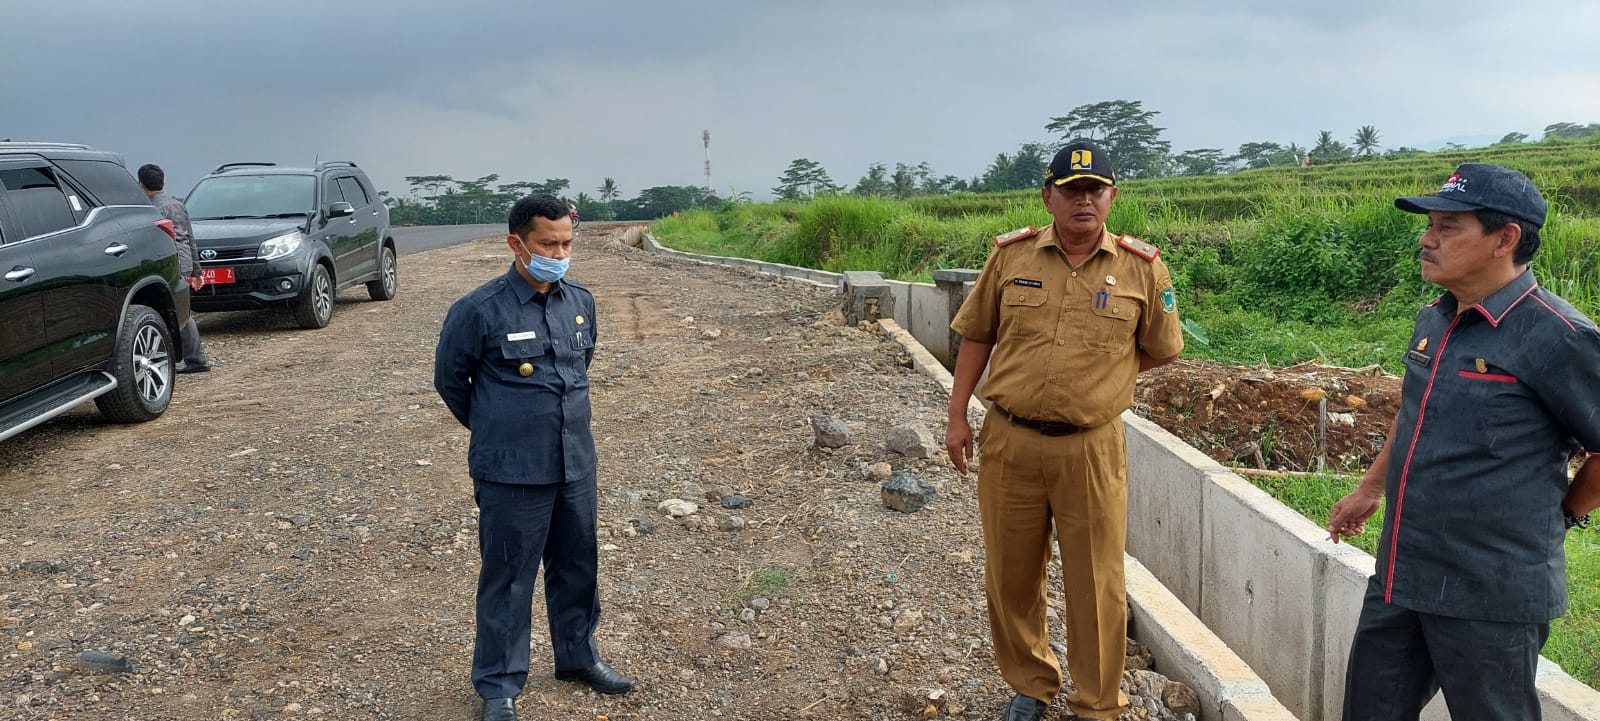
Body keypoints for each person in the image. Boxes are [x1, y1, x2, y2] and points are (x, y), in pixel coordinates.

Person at [1328, 163, 1600, 721]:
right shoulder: (1435, 318)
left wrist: (1565, 514)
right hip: (1403, 574)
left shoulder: (1558, 335)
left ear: (1506, 238)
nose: (1427, 239)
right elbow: (1415, 412)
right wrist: (1369, 489)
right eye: (1430, 224)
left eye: (1448, 226)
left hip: (1490, 591)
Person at [944, 141, 1184, 721]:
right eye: (1071, 190)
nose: (1084, 199)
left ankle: (1097, 703)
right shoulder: (1011, 258)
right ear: (1048, 196)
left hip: (1091, 448)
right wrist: (957, 415)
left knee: (1097, 581)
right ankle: (1032, 682)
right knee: (1011, 573)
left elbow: (1160, 349)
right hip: (1010, 440)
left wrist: (1104, 378)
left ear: (1111, 197)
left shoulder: (1142, 269)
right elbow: (977, 335)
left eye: (1094, 189)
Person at [433, 195, 632, 721]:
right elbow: (452, 382)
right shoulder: (478, 310)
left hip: (575, 463)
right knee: (509, 576)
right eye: (548, 243)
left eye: (567, 243)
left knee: (577, 566)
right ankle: (498, 686)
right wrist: (501, 428)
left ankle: (578, 656)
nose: (559, 253)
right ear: (516, 243)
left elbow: (580, 364)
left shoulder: (580, 302)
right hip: (512, 470)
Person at [137, 163, 209, 373]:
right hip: (185, 261)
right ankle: (194, 358)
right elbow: (191, 238)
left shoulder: (151, 210)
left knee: (179, 313)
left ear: (140, 184)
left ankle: (196, 360)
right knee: (182, 310)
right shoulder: (178, 205)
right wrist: (197, 271)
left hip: (169, 261)